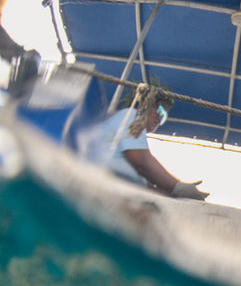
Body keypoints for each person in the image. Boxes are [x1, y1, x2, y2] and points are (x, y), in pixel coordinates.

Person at [77, 85, 209, 200]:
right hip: (94, 185)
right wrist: (178, 188)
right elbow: (141, 161)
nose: (160, 118)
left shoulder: (130, 135)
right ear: (147, 104)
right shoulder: (131, 116)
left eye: (164, 116)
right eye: (160, 110)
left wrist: (176, 196)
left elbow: (147, 185)